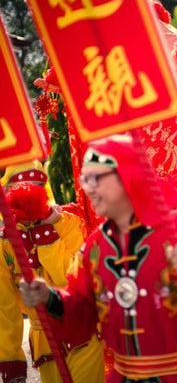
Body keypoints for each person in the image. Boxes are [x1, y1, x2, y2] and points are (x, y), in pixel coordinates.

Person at [19, 134, 177, 383]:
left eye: (96, 179)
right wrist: (49, 298)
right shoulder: (94, 247)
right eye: (85, 179)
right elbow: (82, 314)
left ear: (127, 177)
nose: (87, 188)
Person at [0, 160, 104, 383]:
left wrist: (47, 235)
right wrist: (11, 358)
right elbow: (4, 307)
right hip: (44, 341)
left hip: (82, 331)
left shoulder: (67, 223)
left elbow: (70, 279)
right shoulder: (4, 242)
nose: (30, 194)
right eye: (24, 186)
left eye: (38, 185)